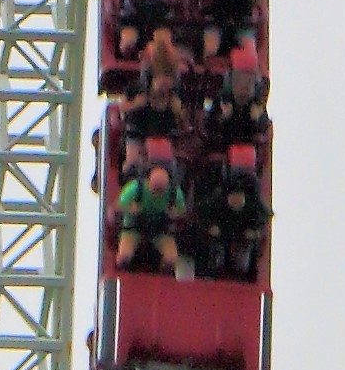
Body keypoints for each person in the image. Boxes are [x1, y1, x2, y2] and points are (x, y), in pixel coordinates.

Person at [197, 145, 271, 280]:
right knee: (216, 260)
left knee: (242, 264)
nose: (236, 201)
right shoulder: (217, 202)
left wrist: (255, 231)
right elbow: (202, 212)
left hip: (242, 236)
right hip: (222, 234)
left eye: (239, 197)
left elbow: (266, 215)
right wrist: (210, 227)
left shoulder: (253, 205)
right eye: (233, 197)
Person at [116, 142, 187, 275]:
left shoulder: (174, 193)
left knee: (171, 258)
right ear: (149, 182)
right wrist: (129, 209)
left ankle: (163, 277)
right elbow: (117, 207)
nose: (158, 194)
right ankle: (122, 275)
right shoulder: (134, 188)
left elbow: (182, 211)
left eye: (161, 190)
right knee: (124, 256)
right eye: (155, 189)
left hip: (160, 230)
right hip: (134, 227)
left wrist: (175, 214)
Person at [119, 60, 187, 172]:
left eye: (169, 78)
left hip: (164, 136)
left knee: (173, 166)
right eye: (162, 77)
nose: (165, 82)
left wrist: (179, 112)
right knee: (132, 163)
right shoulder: (136, 90)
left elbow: (182, 124)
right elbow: (122, 109)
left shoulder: (175, 97)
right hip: (138, 133)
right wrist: (135, 105)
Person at [201, 39, 270, 147]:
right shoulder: (221, 100)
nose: (244, 85)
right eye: (239, 79)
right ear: (231, 80)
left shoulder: (256, 105)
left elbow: (263, 131)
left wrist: (256, 120)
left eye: (249, 80)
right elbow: (208, 128)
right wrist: (223, 118)